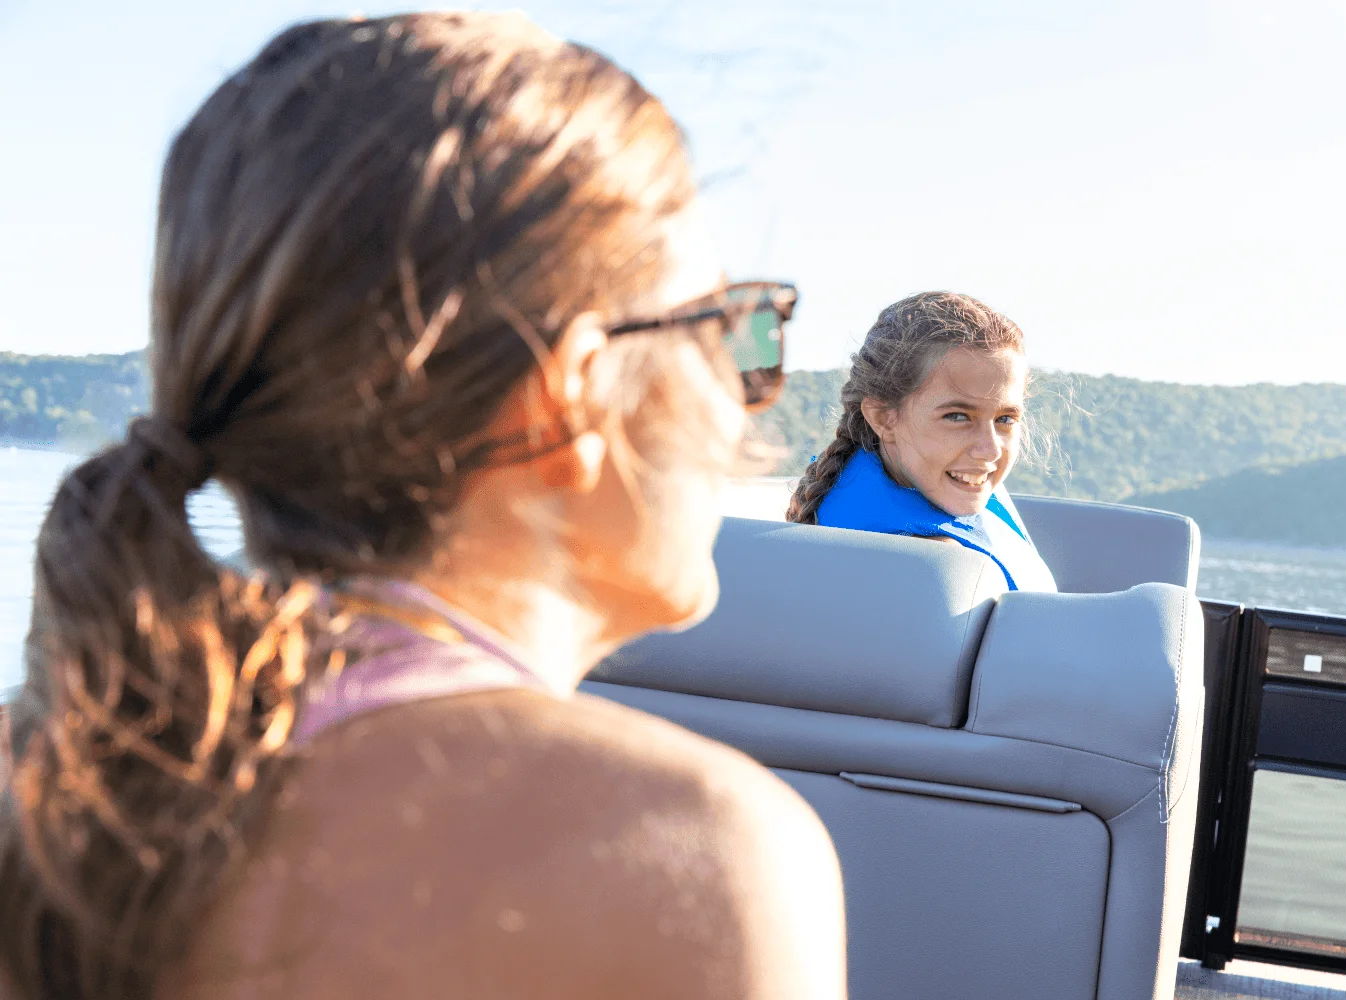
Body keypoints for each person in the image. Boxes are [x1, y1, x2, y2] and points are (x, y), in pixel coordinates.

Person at [0, 14, 845, 1000]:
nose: (750, 399)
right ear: (571, 396)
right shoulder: (688, 851)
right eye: (727, 328)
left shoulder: (53, 772)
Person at [786, 291, 1057, 592]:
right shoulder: (933, 566)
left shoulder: (950, 480)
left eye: (1005, 419)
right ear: (883, 418)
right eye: (957, 417)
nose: (989, 450)